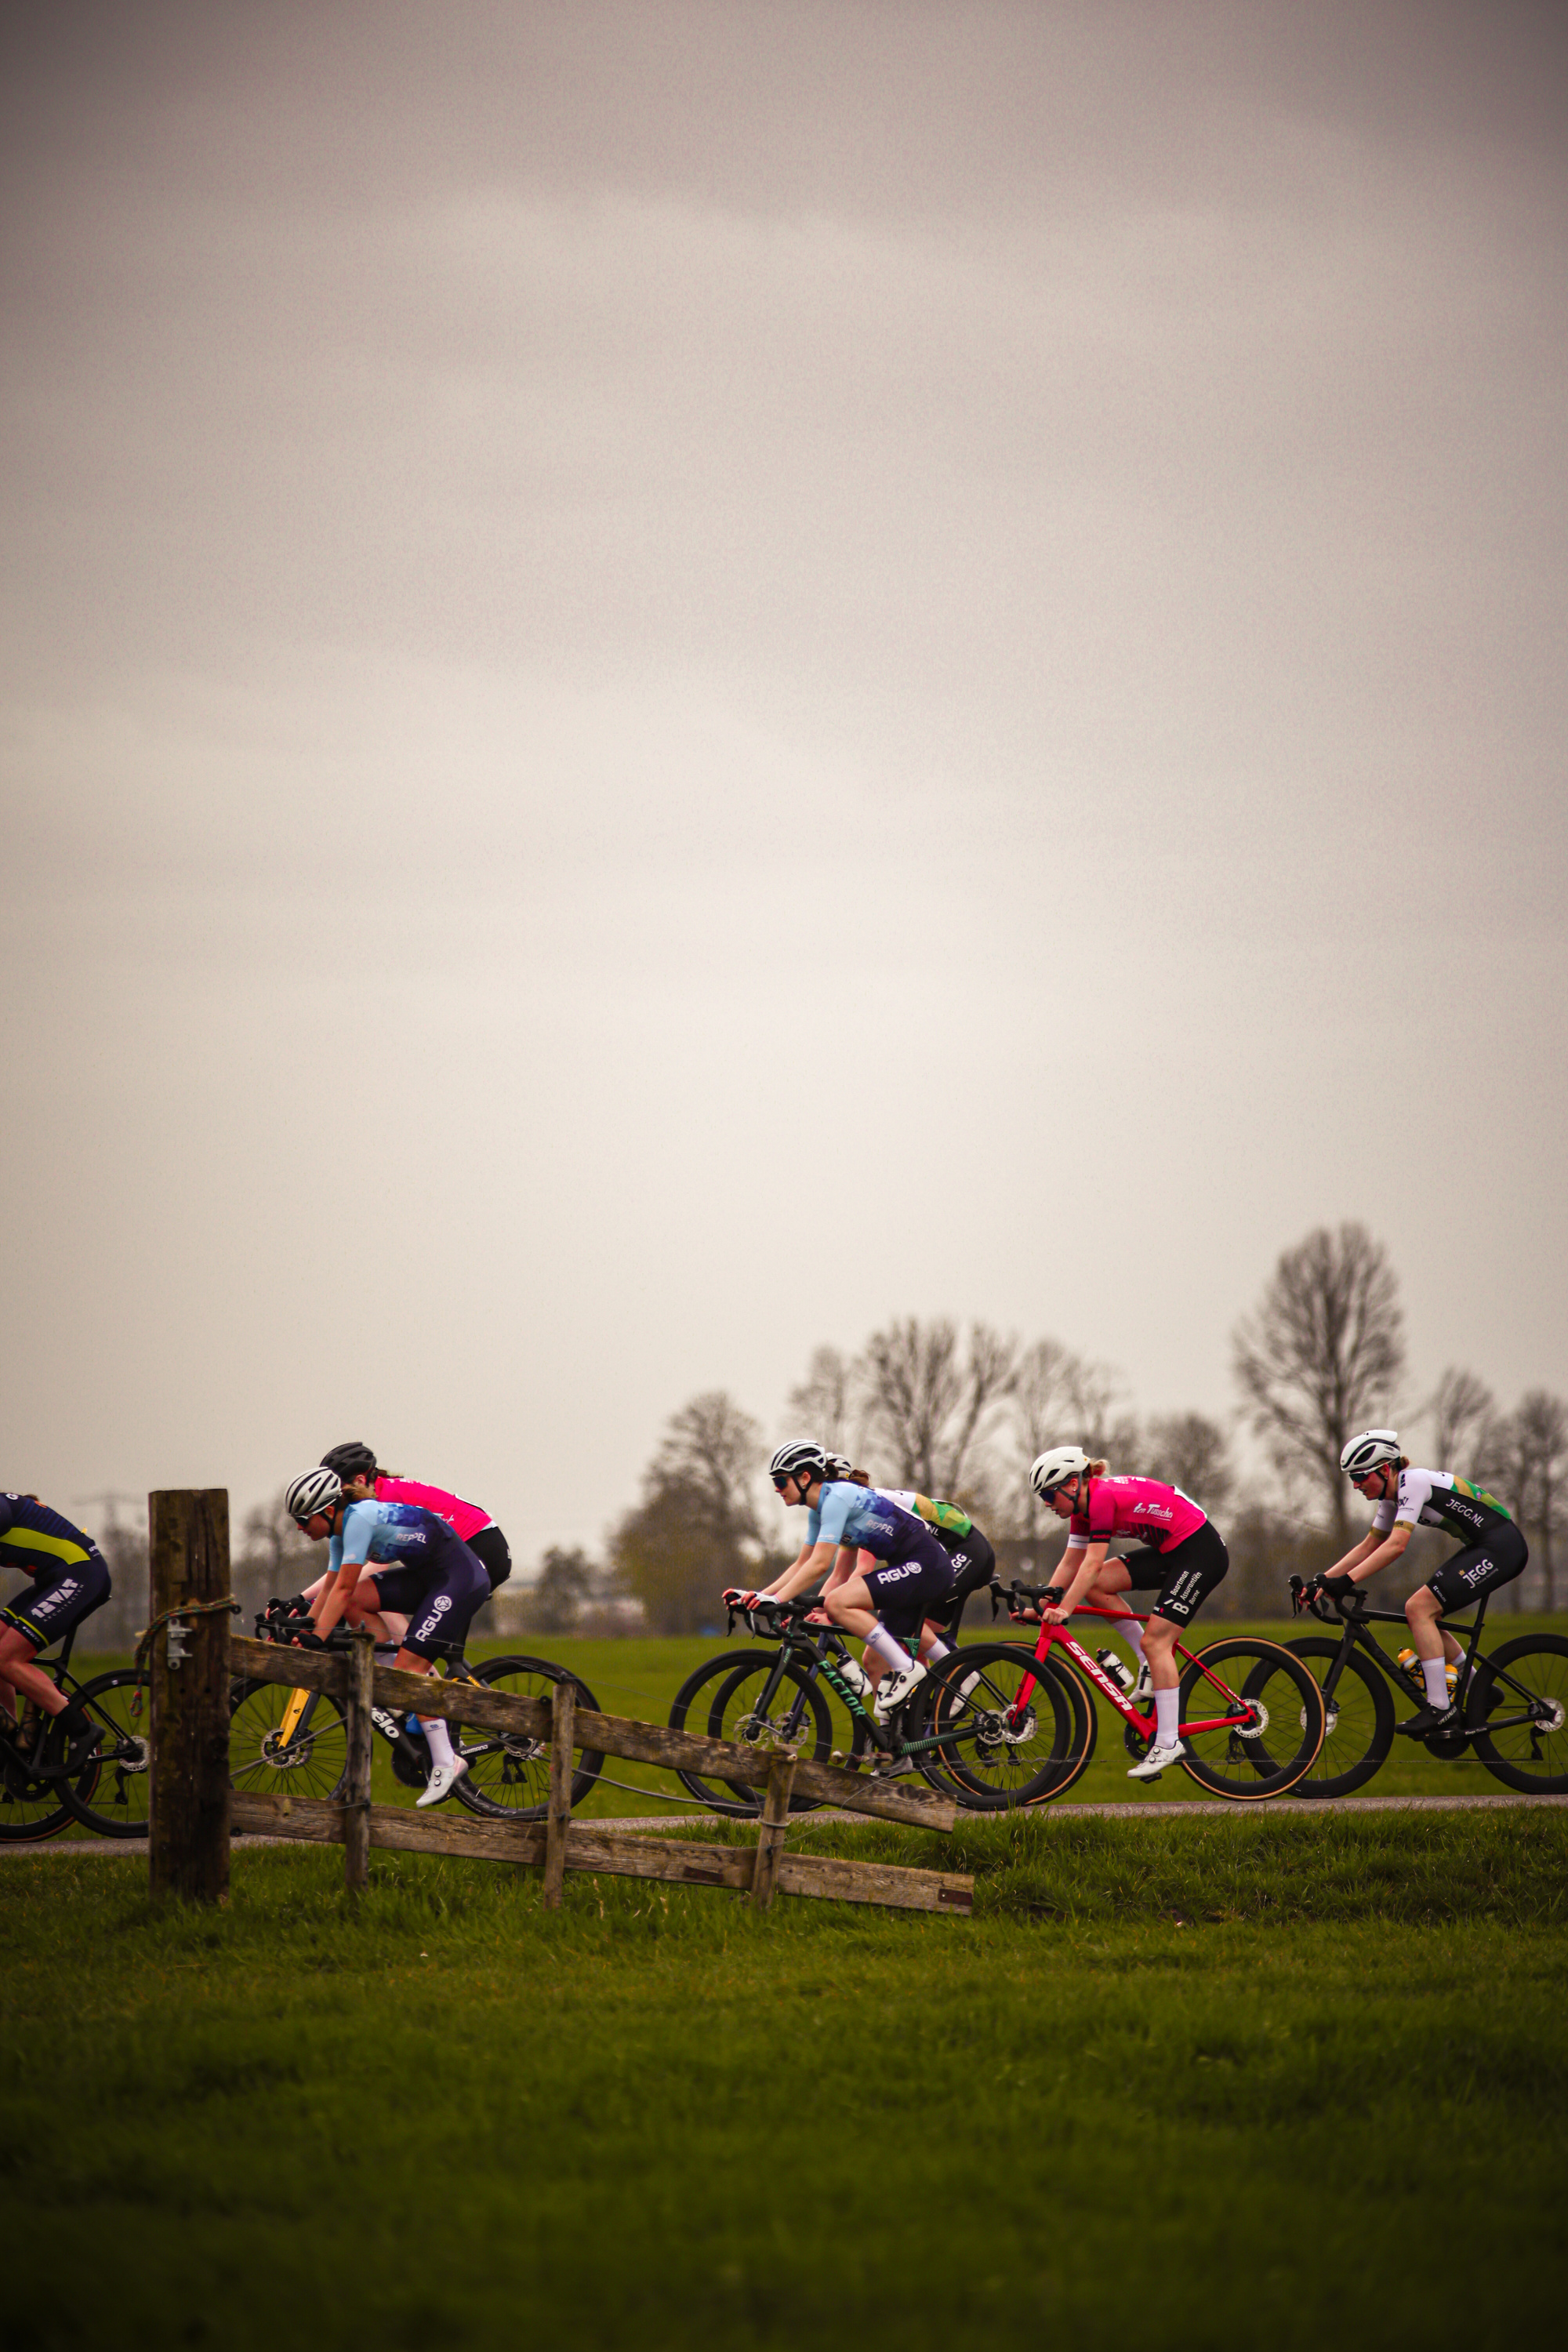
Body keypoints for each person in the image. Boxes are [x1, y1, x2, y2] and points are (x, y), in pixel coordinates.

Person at [283, 1466, 491, 1806]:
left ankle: (446, 1761)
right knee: (354, 1603)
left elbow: (345, 1585)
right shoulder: (339, 1534)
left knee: (411, 1671)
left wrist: (318, 1637)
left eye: (304, 1520)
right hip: (429, 1577)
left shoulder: (359, 1521)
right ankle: (396, 1688)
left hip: (459, 1580)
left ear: (328, 1510)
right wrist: (304, 1625)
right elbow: (335, 1589)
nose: (299, 1527)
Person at [1025, 1446, 1230, 1780]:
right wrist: (1042, 1607)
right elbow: (1071, 1563)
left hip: (1200, 1554)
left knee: (1157, 1642)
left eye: (1049, 1494)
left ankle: (1167, 1741)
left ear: (1073, 1485)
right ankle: (1146, 1662)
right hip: (1172, 1550)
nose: (1047, 1504)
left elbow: (1090, 1564)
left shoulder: (1101, 1499)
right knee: (1097, 1587)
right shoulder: (1081, 1508)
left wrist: (1063, 1609)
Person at [1306, 1429, 1527, 1737]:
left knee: (1419, 1608)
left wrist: (1346, 1581)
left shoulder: (1414, 1483)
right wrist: (1323, 1580)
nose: (1355, 1484)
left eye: (1359, 1476)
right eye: (1351, 1478)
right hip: (1484, 1546)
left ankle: (1440, 1708)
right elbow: (1369, 1545)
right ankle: (1481, 1689)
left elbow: (1397, 1546)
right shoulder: (1390, 1497)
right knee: (1425, 1614)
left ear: (1385, 1470)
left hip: (1501, 1548)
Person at [735, 1440, 956, 1724]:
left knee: (837, 1602)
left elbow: (819, 1565)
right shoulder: (818, 1509)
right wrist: (757, 1596)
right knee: (864, 1641)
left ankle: (906, 1667)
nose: (777, 1489)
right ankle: (897, 1745)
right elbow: (802, 1563)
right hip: (912, 1566)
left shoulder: (836, 1499)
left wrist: (778, 1601)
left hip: (928, 1564)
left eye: (780, 1480)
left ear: (805, 1478)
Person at [296, 1443, 512, 1650]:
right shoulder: (364, 1505)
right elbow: (339, 1576)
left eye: (335, 1488)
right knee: (366, 1601)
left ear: (360, 1480)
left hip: (482, 1548)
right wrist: (303, 1600)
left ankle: (410, 1673)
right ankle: (393, 1668)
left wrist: (315, 1605)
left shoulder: (380, 1502)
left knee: (406, 1632)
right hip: (456, 1555)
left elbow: (372, 1568)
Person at [0, 1491, 111, 1769]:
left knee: (6, 1658)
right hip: (53, 1581)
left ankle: (82, 1731)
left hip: (81, 1574)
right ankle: (14, 1737)